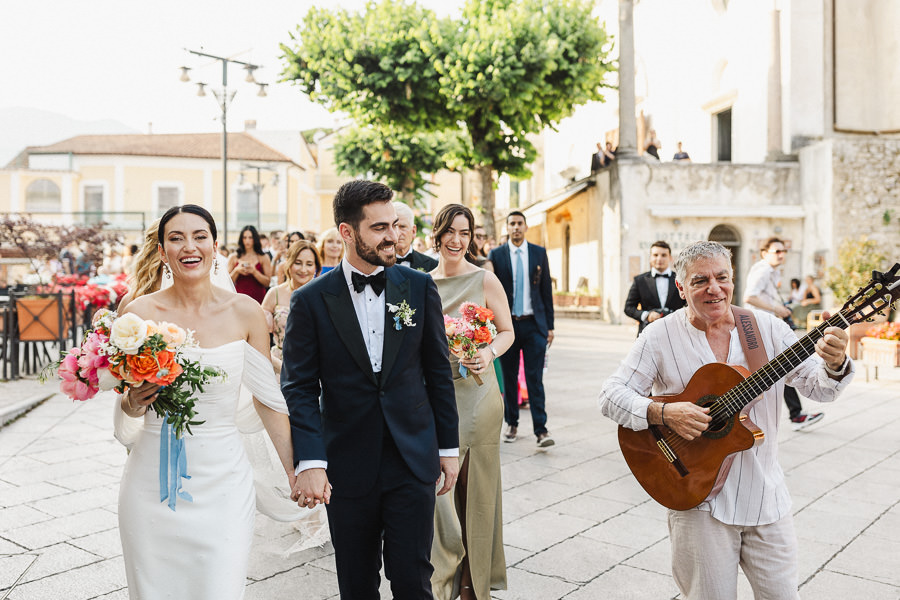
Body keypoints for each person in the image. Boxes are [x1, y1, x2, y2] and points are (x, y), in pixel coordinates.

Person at [600, 240, 853, 600]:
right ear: (681, 287)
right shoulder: (659, 336)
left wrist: (835, 363)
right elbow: (610, 395)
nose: (714, 289)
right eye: (700, 280)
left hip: (764, 497)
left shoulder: (765, 328)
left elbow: (820, 388)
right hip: (696, 499)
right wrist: (663, 412)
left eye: (722, 278)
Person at [281, 179, 459, 599]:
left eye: (395, 225)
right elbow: (300, 387)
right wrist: (310, 460)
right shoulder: (310, 301)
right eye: (379, 228)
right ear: (347, 232)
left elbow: (437, 372)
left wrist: (448, 449)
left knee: (414, 580)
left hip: (412, 459)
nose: (393, 236)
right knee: (357, 584)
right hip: (347, 463)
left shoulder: (417, 286)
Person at [114, 204, 298, 599]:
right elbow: (127, 403)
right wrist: (134, 399)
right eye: (176, 238)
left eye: (199, 236)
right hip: (149, 480)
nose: (188, 247)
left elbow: (267, 399)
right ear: (162, 251)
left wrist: (293, 470)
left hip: (224, 482)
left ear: (216, 245)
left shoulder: (246, 313)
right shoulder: (138, 315)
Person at [428, 204, 513, 600]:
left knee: (476, 491)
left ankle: (473, 583)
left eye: (464, 233)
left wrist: (489, 353)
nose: (456, 240)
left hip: (479, 396)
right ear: (438, 233)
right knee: (440, 493)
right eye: (450, 231)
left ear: (472, 237)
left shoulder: (485, 279)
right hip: (437, 397)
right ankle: (440, 579)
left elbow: (507, 331)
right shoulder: (422, 283)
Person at [486, 211, 555, 448]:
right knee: (509, 376)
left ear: (526, 227)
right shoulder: (496, 255)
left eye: (519, 223)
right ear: (507, 228)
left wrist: (550, 326)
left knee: (535, 379)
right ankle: (512, 423)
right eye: (512, 224)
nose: (516, 227)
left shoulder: (538, 253)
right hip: (507, 326)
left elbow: (546, 291)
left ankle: (541, 430)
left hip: (534, 324)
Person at [744, 237, 823, 430]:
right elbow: (750, 297)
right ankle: (794, 414)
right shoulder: (762, 271)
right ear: (764, 253)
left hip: (765, 327)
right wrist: (776, 309)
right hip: (759, 328)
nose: (781, 255)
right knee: (783, 366)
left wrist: (779, 308)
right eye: (777, 251)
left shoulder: (770, 272)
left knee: (780, 368)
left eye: (784, 251)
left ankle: (794, 414)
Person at [262, 240, 321, 375]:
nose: (303, 269)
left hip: (312, 367)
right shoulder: (274, 293)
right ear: (289, 263)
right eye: (298, 263)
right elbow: (258, 336)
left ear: (316, 267)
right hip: (277, 366)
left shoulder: (322, 295)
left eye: (309, 264)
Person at [623, 240, 686, 337]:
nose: (659, 258)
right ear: (650, 258)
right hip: (647, 334)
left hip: (675, 334)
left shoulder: (681, 279)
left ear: (670, 258)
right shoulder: (640, 280)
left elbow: (688, 306)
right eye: (655, 255)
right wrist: (647, 315)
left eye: (664, 255)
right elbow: (628, 308)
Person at [228, 225, 272, 304]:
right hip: (238, 299)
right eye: (244, 237)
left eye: (250, 237)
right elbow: (227, 282)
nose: (247, 241)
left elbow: (267, 282)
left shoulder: (263, 257)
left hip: (258, 299)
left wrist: (254, 271)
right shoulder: (233, 257)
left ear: (255, 238)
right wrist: (236, 271)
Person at [393, 201, 439, 272]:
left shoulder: (432, 265)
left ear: (413, 231)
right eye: (394, 227)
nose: (398, 233)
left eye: (403, 227)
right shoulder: (377, 265)